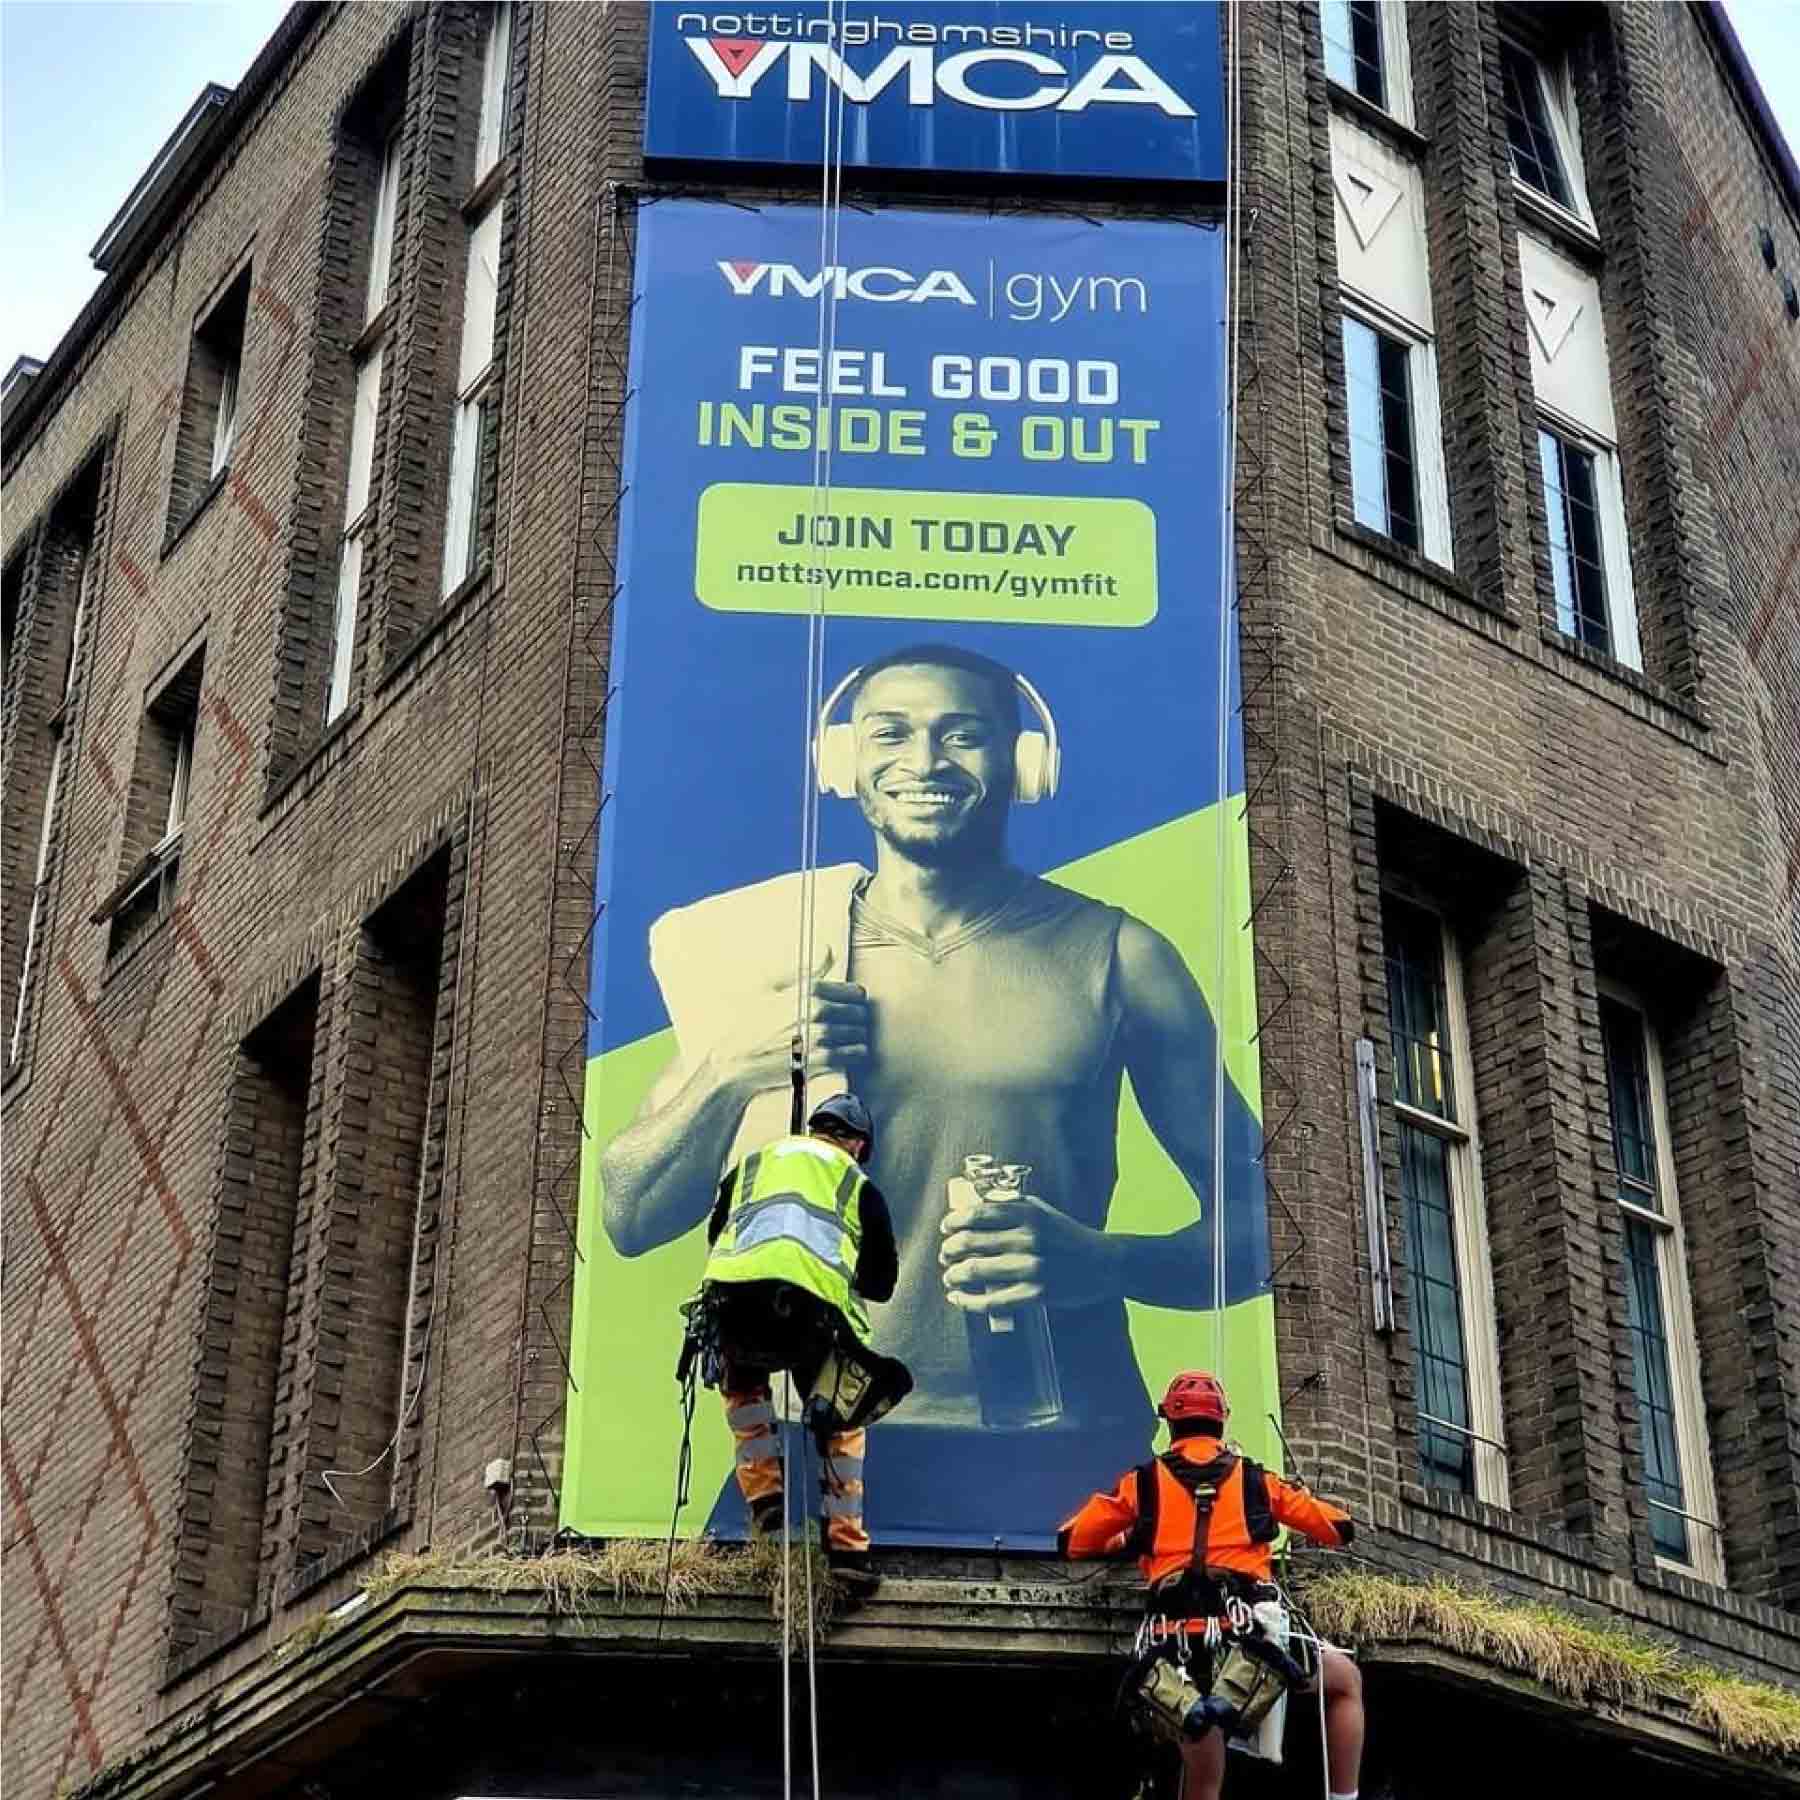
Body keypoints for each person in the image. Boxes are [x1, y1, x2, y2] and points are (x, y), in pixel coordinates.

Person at [603, 643, 1265, 1542]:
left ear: (1023, 763)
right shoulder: (774, 951)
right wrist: (732, 1067)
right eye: (892, 733)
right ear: (846, 762)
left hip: (1061, 1443)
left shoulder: (1120, 956)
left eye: (963, 735)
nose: (925, 762)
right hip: (816, 1438)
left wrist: (1103, 1263)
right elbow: (629, 1212)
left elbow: (1269, 1230)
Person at [1058, 1372, 1366, 1800]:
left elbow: (1071, 1540)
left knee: (1204, 1773)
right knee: (1345, 1680)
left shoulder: (1142, 1484)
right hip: (1248, 1647)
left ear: (1170, 1423)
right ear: (1222, 1422)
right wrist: (1300, 1498)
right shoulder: (1257, 1482)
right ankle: (1344, 1797)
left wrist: (1128, 1539)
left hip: (1171, 1653)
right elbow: (1339, 1528)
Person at [697, 1092, 911, 1585]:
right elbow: (880, 1283)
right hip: (808, 1311)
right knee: (841, 1419)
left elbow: (717, 1232)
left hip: (732, 1299)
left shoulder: (754, 1164)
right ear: (857, 1144)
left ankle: (767, 1502)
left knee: (744, 1392)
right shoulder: (855, 1183)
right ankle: (847, 1554)